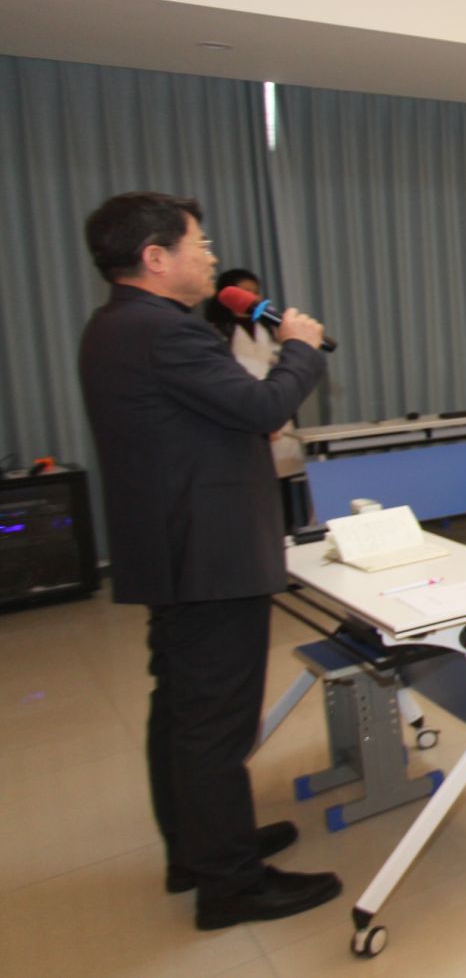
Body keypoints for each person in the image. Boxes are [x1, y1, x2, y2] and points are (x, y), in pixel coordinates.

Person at [77, 192, 341, 929]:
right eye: (199, 243)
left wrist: (243, 422)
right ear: (155, 257)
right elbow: (260, 409)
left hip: (172, 548)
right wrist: (299, 347)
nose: (211, 256)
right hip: (209, 556)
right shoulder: (167, 332)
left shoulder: (113, 326)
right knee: (214, 725)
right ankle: (230, 884)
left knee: (181, 712)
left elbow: (186, 426)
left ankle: (196, 852)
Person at [203, 268, 305, 518]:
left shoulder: (270, 327)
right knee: (253, 495)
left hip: (277, 413)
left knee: (285, 491)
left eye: (255, 292)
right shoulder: (215, 333)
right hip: (242, 417)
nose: (252, 297)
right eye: (245, 291)